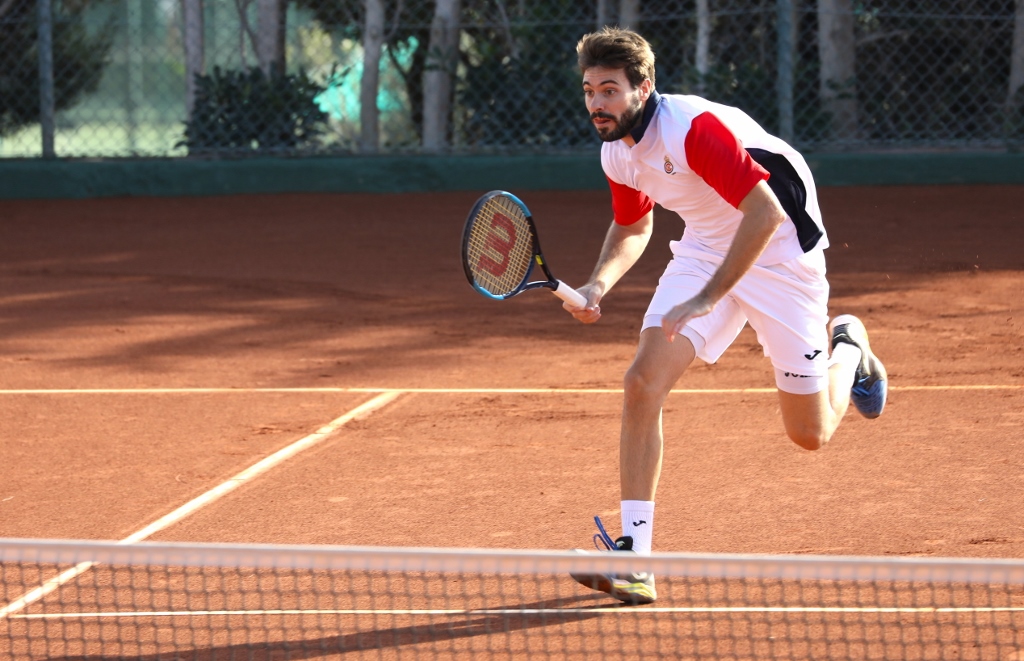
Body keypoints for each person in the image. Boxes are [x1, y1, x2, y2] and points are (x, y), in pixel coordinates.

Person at [565, 27, 888, 605]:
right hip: (708, 245)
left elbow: (762, 215)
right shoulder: (616, 151)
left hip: (782, 246)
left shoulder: (690, 130)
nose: (596, 104)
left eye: (609, 90)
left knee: (809, 434)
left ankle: (849, 348)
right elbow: (635, 224)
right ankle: (636, 558)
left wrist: (708, 298)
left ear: (644, 86)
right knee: (642, 382)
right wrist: (597, 284)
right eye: (589, 90)